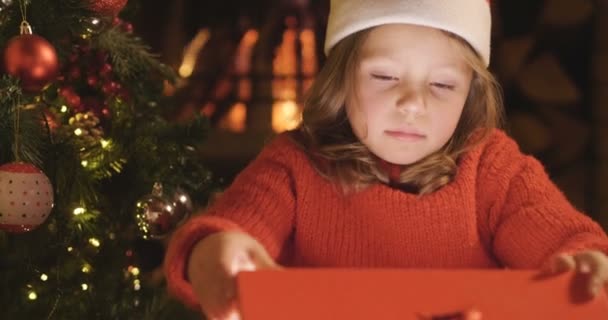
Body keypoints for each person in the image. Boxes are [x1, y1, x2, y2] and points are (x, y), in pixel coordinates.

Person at [164, 0, 608, 318]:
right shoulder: (294, 164)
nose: (412, 103)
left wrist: (586, 261)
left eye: (442, 85)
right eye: (385, 76)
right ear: (340, 80)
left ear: (470, 96)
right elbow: (228, 232)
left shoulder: (494, 168)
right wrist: (213, 253)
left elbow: (566, 241)